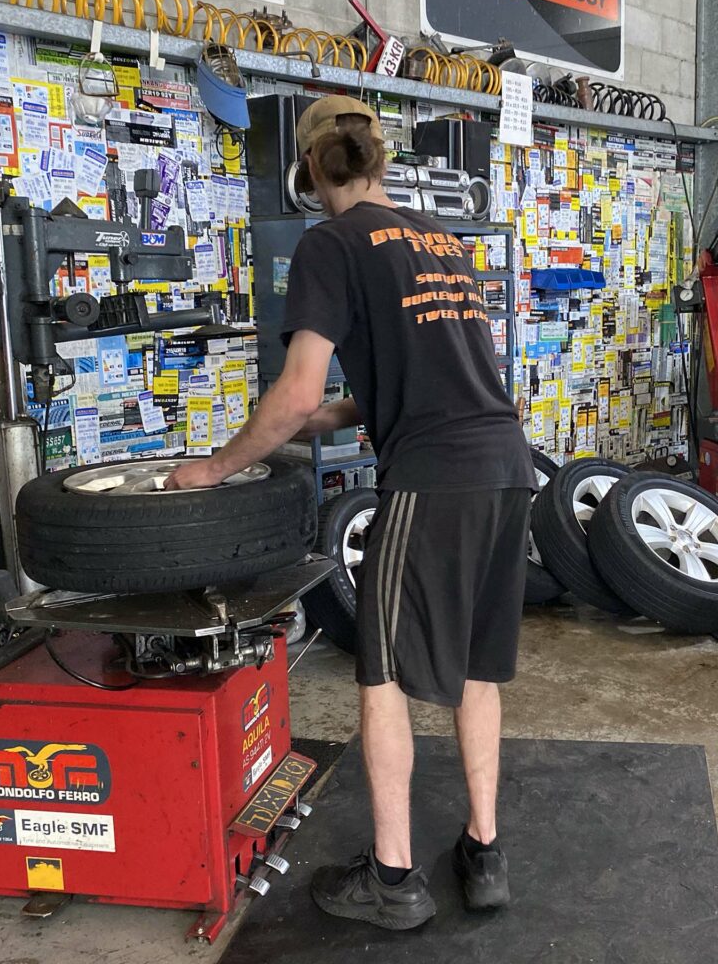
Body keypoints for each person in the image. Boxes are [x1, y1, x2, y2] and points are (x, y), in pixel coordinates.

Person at [165, 96, 536, 928]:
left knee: (382, 672)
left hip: (433, 480)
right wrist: (314, 418)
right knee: (478, 667)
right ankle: (483, 853)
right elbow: (394, 385)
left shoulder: (329, 245)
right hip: (507, 467)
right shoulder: (437, 240)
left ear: (307, 174)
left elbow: (298, 392)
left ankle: (395, 881)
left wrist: (218, 466)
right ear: (383, 163)